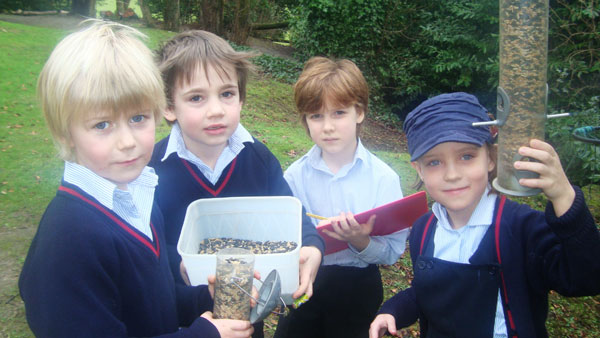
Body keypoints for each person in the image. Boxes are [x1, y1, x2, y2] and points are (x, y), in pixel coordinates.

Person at [19, 21, 254, 338]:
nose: (127, 141)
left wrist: (202, 298)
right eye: (102, 125)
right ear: (66, 132)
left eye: (138, 118)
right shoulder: (69, 239)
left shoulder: (139, 198)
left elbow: (152, 301)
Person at [369, 92, 600, 338]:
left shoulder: (523, 228)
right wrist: (393, 311)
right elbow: (428, 290)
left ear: (490, 158)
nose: (452, 174)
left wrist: (564, 196)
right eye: (434, 162)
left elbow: (586, 278)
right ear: (419, 169)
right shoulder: (424, 229)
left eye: (466, 156)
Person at [149, 30, 325, 337]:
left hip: (247, 317)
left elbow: (291, 214)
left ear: (241, 98)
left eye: (227, 94)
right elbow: (147, 248)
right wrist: (180, 265)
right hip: (182, 321)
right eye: (196, 97)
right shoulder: (150, 170)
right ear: (168, 106)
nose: (216, 109)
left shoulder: (257, 158)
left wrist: (312, 246)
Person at [273, 57, 408, 338]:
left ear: (359, 112)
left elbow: (392, 253)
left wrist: (359, 239)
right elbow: (282, 238)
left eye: (338, 113)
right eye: (316, 116)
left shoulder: (383, 179)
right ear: (305, 120)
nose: (327, 127)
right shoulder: (294, 177)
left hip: (357, 289)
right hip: (307, 284)